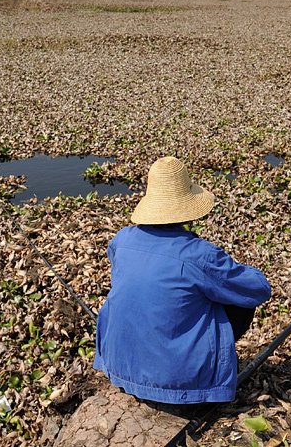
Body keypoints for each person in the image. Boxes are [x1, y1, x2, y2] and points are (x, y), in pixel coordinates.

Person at [93, 156, 271, 404]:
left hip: (117, 365)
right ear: (187, 208)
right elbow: (258, 290)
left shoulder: (122, 240)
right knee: (239, 301)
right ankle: (202, 379)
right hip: (178, 383)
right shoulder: (199, 254)